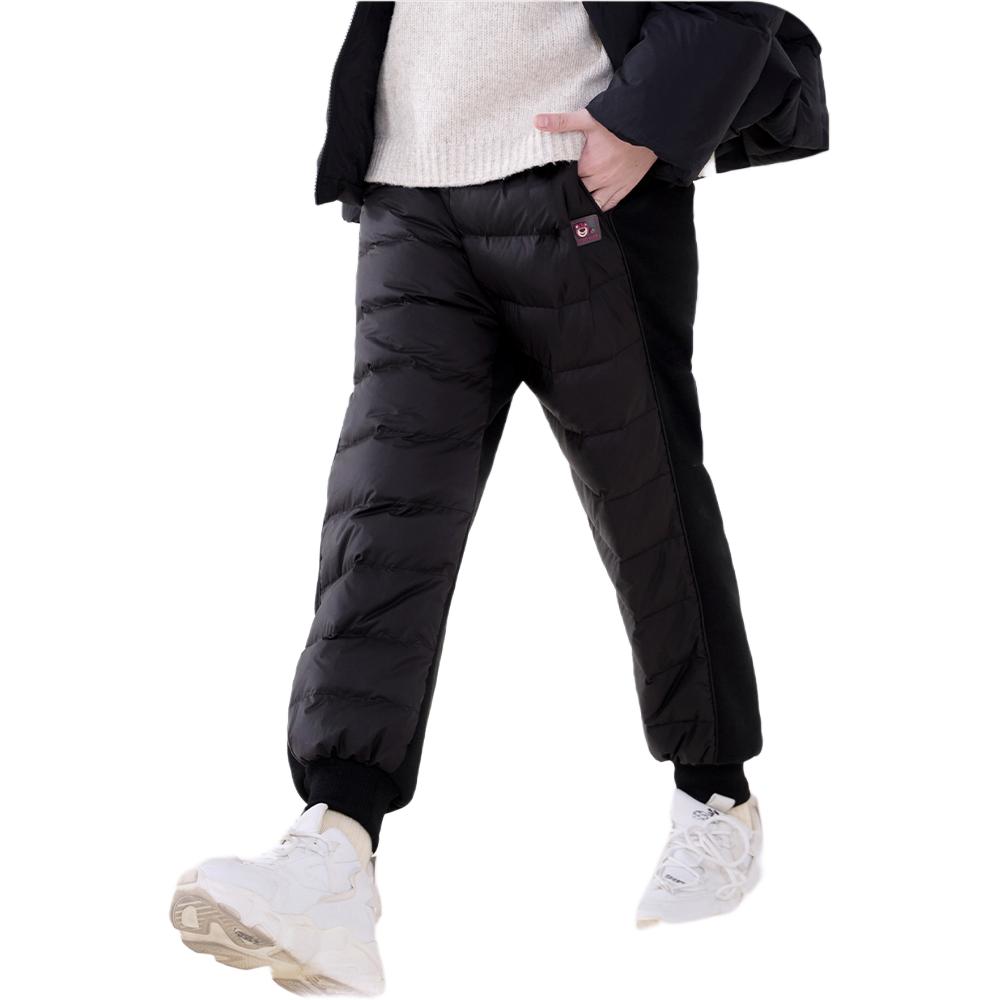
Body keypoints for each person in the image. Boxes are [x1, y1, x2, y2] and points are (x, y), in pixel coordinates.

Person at [170, 2, 828, 994]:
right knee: (381, 521)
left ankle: (716, 798)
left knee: (645, 495)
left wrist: (650, 120)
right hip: (410, 181)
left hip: (578, 171)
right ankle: (336, 845)